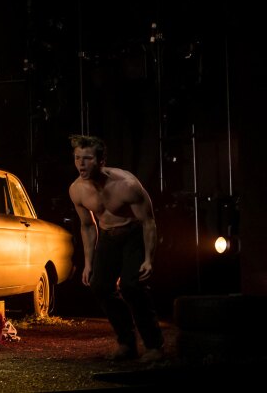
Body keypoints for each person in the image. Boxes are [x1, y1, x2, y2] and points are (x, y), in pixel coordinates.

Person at [68, 134, 164, 363]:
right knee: (99, 285)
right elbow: (88, 226)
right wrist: (88, 263)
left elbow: (149, 222)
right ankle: (126, 343)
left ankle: (154, 346)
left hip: (133, 234)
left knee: (132, 287)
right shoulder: (77, 190)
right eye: (77, 158)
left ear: (100, 161)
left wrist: (149, 258)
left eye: (87, 158)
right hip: (108, 237)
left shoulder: (127, 185)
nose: (81, 164)